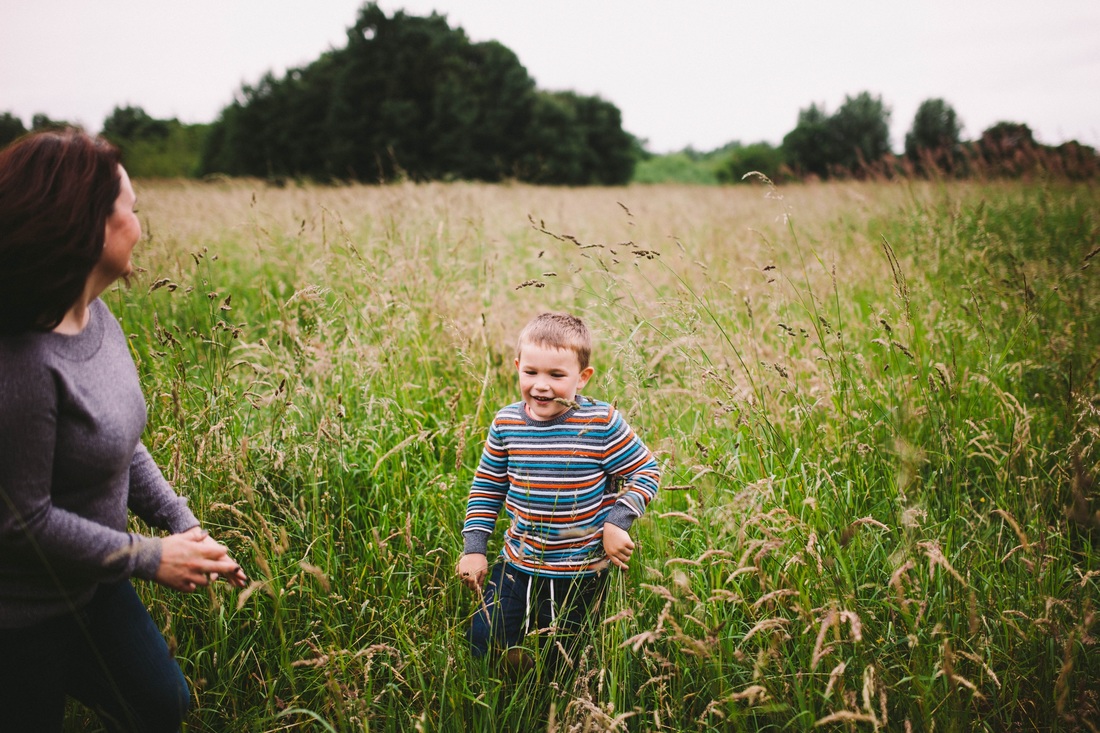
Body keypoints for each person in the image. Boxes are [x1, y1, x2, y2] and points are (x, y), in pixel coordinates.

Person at [0, 129, 247, 732]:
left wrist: (181, 523)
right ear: (88, 226)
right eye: (131, 208)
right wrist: (147, 556)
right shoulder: (23, 364)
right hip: (20, 617)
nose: (139, 224)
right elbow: (20, 520)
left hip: (94, 585)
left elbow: (120, 441)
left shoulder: (96, 317)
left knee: (161, 704)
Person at [457, 312, 660, 675]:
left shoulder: (600, 423)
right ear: (517, 367)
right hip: (518, 560)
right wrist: (474, 549)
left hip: (579, 569)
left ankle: (547, 697)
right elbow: (487, 487)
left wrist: (617, 522)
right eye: (531, 372)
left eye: (556, 375)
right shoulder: (507, 423)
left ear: (582, 378)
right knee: (483, 639)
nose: (541, 386)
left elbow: (646, 470)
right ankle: (509, 678)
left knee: (563, 660)